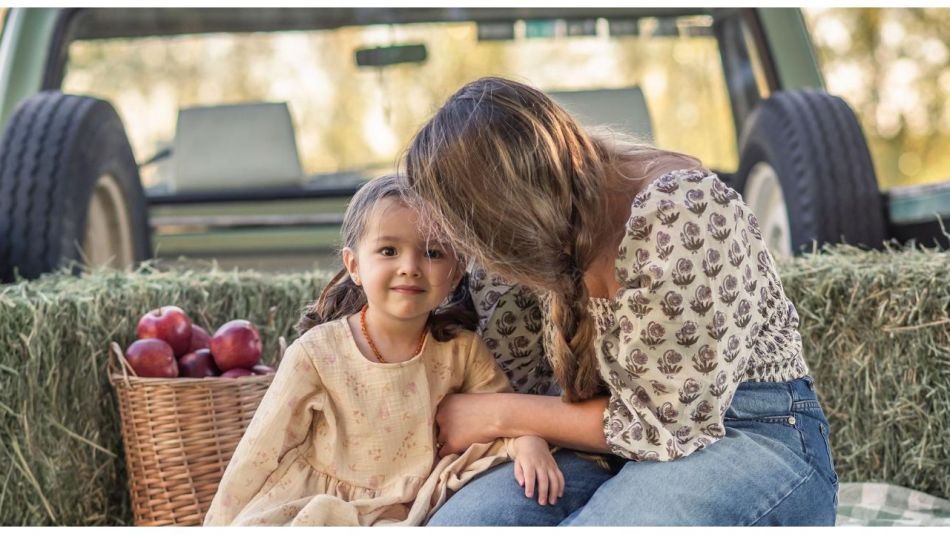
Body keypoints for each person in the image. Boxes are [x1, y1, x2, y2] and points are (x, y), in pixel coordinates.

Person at [403, 77, 840, 526]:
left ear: (509, 216)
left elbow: (666, 423)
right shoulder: (517, 249)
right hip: (590, 439)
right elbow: (518, 375)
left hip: (743, 429)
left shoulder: (682, 212)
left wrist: (497, 414)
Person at [203, 174, 564, 526]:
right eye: (388, 250)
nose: (410, 267)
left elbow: (504, 412)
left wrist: (528, 442)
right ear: (355, 266)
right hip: (327, 511)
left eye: (432, 253)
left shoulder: (459, 349)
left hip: (414, 503)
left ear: (456, 273)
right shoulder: (316, 353)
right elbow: (258, 452)